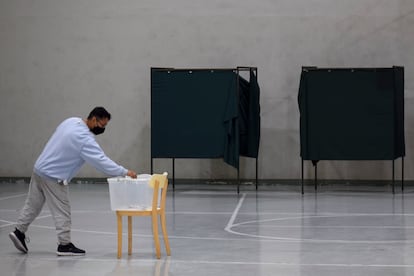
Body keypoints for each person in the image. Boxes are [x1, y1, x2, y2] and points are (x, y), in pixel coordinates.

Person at [9, 107, 137, 256]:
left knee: (32, 205)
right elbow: (102, 162)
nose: (103, 129)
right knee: (63, 211)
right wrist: (125, 172)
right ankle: (64, 245)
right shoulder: (84, 139)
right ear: (94, 119)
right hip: (54, 177)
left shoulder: (71, 121)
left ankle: (19, 231)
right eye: (102, 125)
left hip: (39, 169)